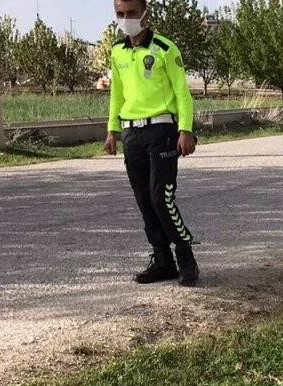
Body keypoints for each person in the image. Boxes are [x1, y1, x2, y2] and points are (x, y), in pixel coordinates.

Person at [104, 0, 200, 286]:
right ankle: (162, 260)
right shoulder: (117, 52)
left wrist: (185, 130)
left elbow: (183, 94)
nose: (125, 19)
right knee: (144, 200)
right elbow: (117, 95)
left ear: (146, 13)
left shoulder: (165, 49)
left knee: (162, 198)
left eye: (131, 13)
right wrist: (112, 130)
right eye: (120, 14)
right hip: (132, 134)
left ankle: (186, 257)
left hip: (162, 131)